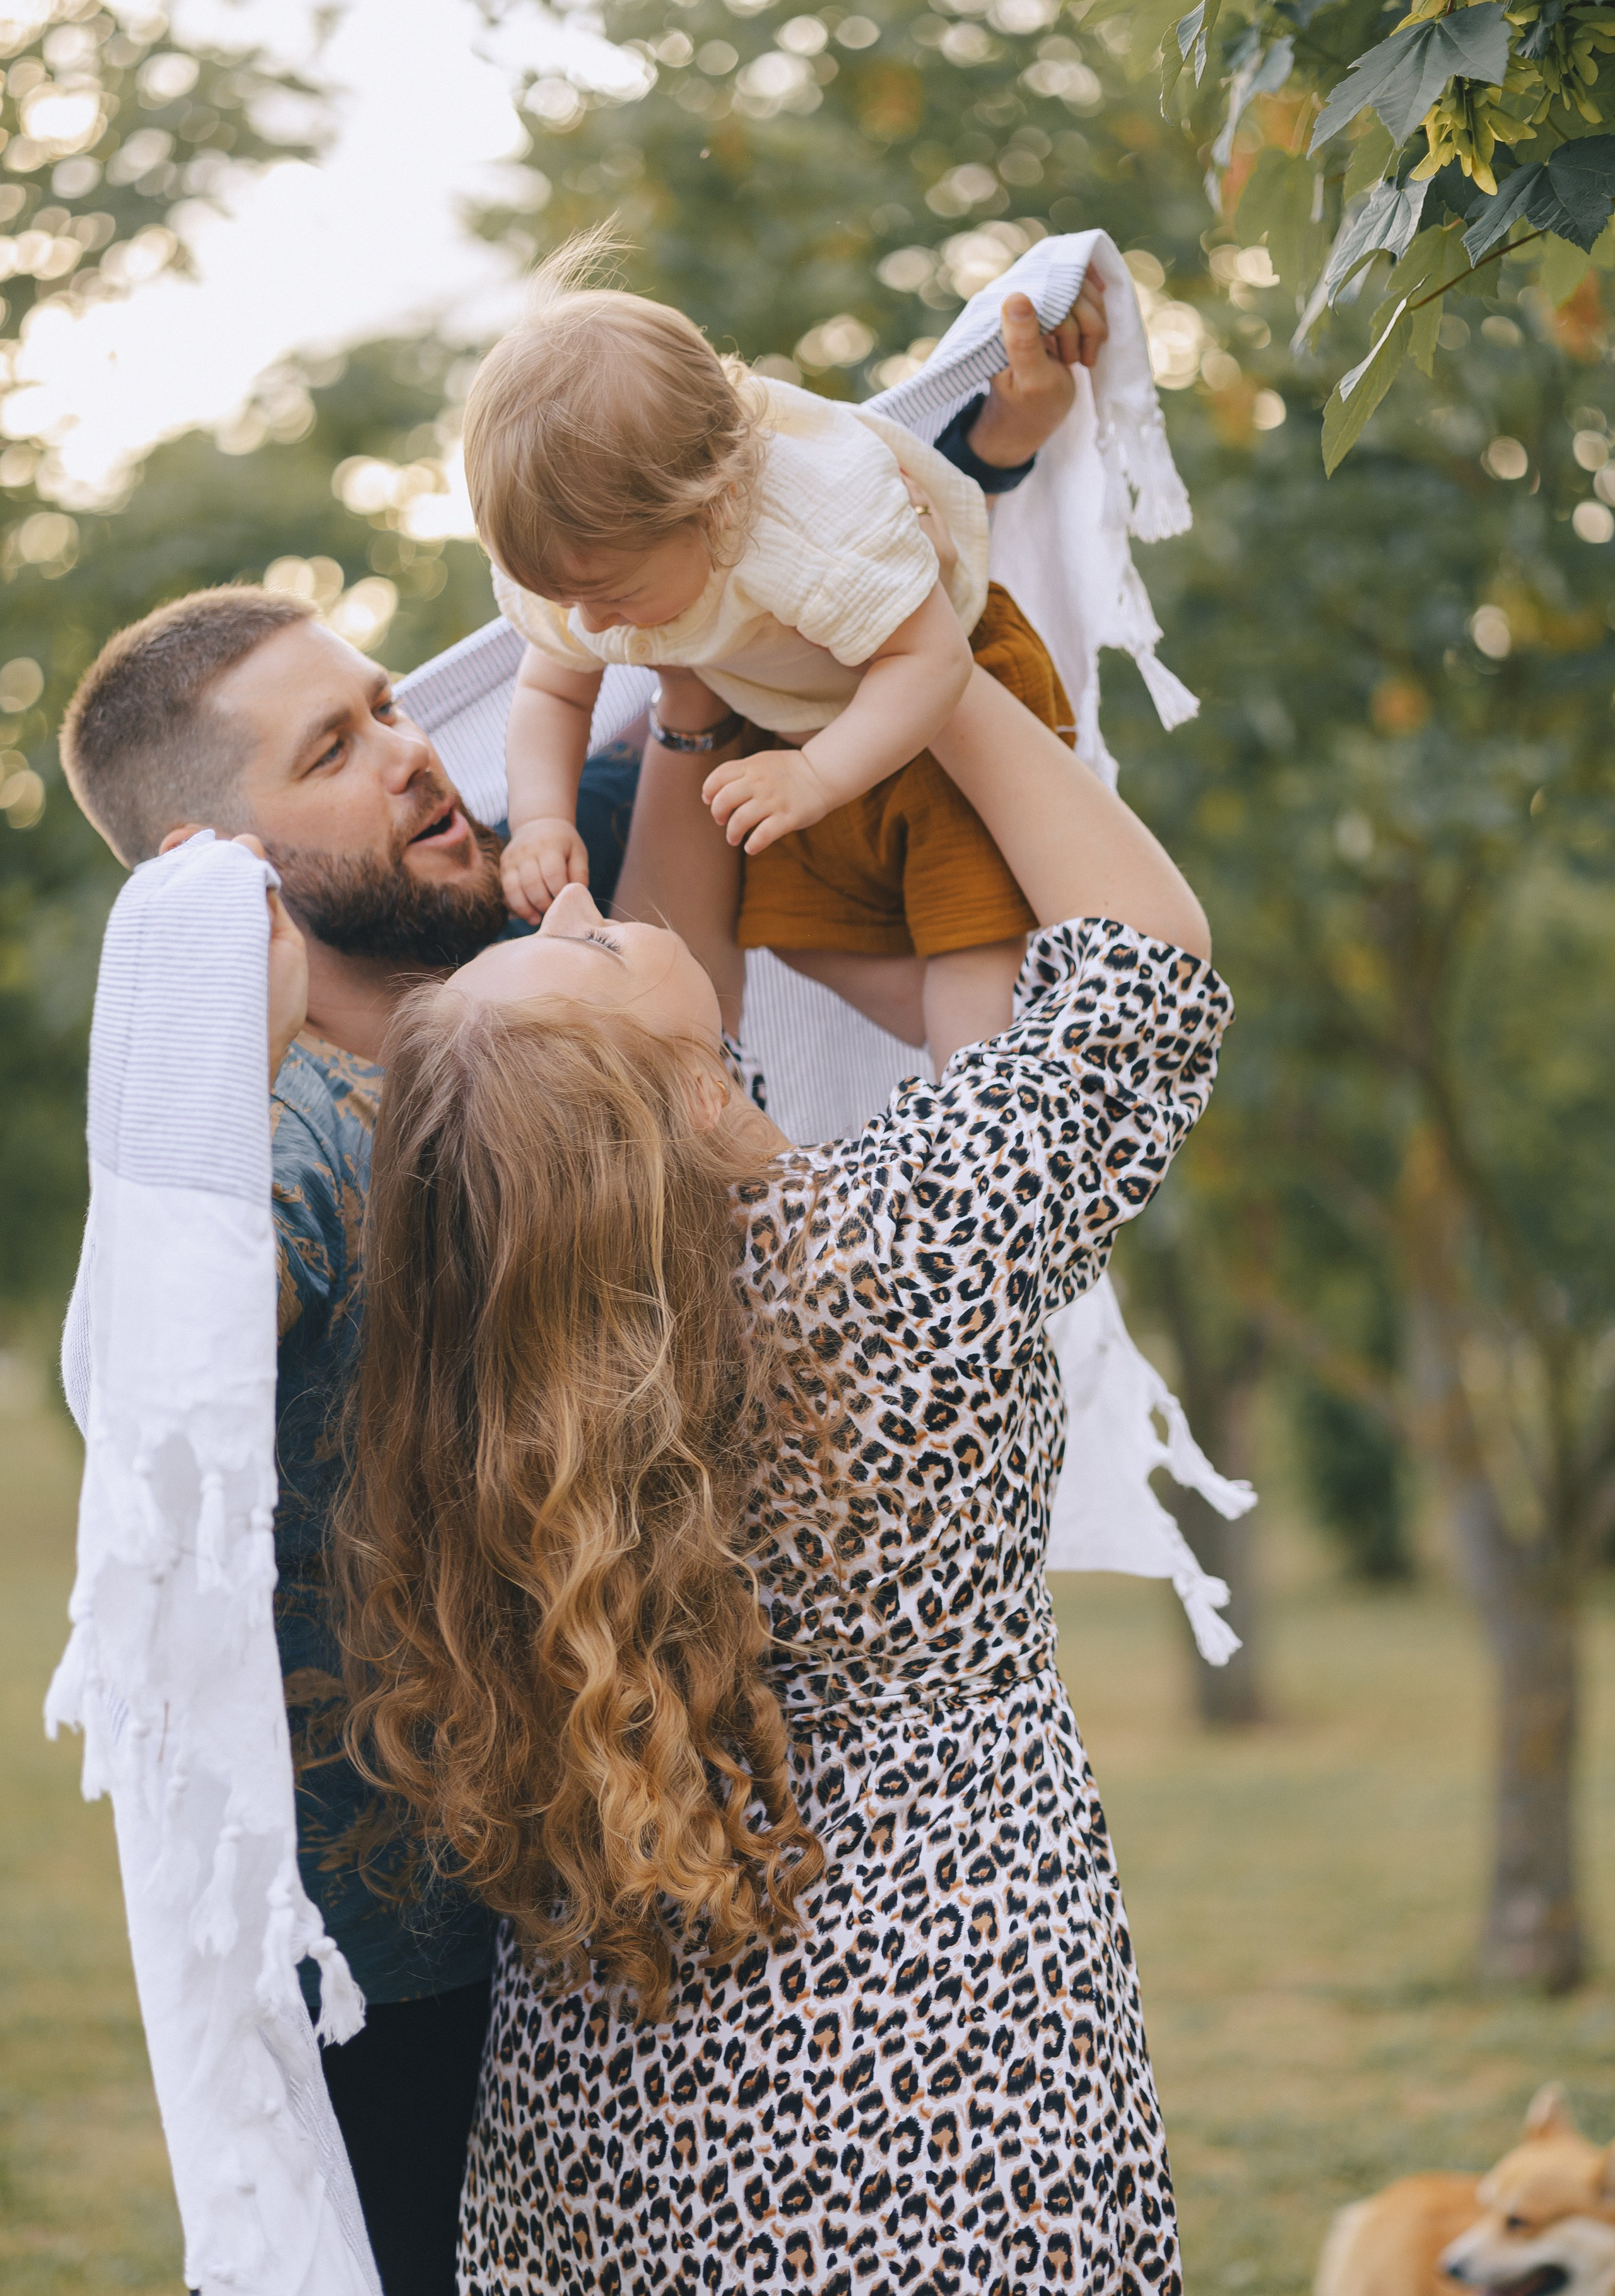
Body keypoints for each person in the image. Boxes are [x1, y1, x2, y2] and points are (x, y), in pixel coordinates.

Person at [50, 336, 1076, 2296]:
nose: (415, 752)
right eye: (333, 753)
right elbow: (155, 1400)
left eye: (383, 704)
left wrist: (981, 444)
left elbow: (745, 597)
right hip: (411, 1961)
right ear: (219, 874)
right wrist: (209, 1048)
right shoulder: (269, 1159)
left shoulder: (548, 956)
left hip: (659, 1911)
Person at [331, 649, 1226, 2292]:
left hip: (616, 2058)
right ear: (650, 1111)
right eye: (579, 957)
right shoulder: (890, 1244)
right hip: (934, 2008)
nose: (575, 911)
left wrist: (686, 704)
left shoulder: (504, 1351)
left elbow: (685, 985)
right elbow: (1146, 976)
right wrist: (929, 661)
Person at [465, 244, 1106, 1068]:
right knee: (788, 924)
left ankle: (978, 1108)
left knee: (966, 941)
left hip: (938, 704)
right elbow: (553, 692)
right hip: (789, 725)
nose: (591, 623)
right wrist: (542, 817)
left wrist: (819, 776)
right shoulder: (581, 570)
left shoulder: (812, 526)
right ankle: (1019, 1027)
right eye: (562, 598)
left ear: (718, 505)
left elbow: (931, 660)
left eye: (612, 593)